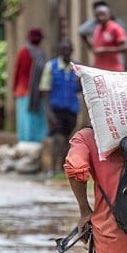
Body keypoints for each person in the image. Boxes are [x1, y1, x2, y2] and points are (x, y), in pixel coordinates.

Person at [40, 40, 83, 174]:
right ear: (60, 51)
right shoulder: (51, 67)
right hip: (56, 108)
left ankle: (63, 168)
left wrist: (80, 82)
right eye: (63, 49)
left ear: (72, 50)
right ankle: (53, 168)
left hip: (71, 109)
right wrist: (49, 113)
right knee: (57, 139)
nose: (66, 52)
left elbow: (81, 89)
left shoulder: (76, 68)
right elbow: (45, 90)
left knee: (66, 139)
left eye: (68, 49)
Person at [14, 28, 48, 144]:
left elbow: (18, 71)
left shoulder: (24, 51)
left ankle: (25, 139)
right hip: (36, 91)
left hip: (23, 89)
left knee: (24, 117)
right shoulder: (40, 53)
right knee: (34, 116)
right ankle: (36, 139)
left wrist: (14, 88)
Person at [78, 0, 127, 68]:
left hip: (114, 69)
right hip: (100, 69)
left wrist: (104, 51)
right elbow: (81, 31)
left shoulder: (116, 27)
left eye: (103, 14)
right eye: (97, 15)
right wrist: (92, 48)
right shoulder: (97, 28)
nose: (100, 18)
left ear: (108, 14)